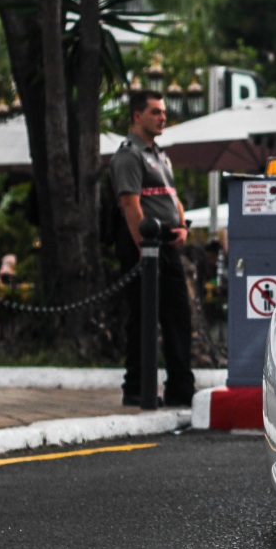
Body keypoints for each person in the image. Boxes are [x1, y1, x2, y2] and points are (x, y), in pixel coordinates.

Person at [110, 89, 195, 407]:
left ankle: (180, 387)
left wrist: (183, 227)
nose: (163, 117)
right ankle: (136, 387)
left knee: (178, 316)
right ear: (137, 116)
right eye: (156, 112)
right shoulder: (129, 155)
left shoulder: (160, 154)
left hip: (168, 247)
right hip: (143, 249)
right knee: (143, 319)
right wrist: (145, 252)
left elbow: (173, 197)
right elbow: (131, 205)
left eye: (163, 112)